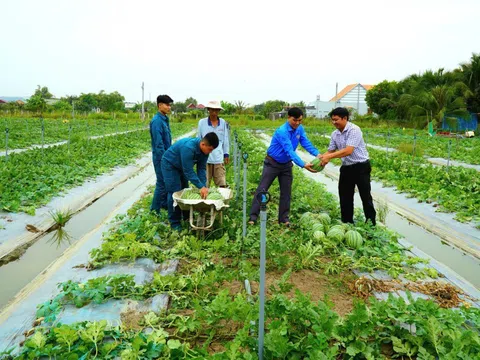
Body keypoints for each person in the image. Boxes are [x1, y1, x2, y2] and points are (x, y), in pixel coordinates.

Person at [248, 107, 320, 226]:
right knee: (262, 189)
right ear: (288, 118)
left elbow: (306, 143)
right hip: (272, 163)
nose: (297, 123)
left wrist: (318, 154)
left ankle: (284, 219)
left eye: (300, 120)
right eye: (295, 120)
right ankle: (253, 218)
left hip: (286, 165)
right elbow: (289, 151)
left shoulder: (299, 129)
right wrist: (303, 164)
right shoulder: (282, 131)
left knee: (286, 192)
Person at [319, 107, 376, 225]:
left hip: (361, 167)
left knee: (365, 195)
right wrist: (319, 160)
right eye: (332, 120)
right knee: (345, 195)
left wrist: (329, 157)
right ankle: (347, 222)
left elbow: (348, 150)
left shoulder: (354, 130)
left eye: (336, 120)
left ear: (345, 118)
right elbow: (330, 150)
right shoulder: (335, 134)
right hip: (346, 167)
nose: (334, 122)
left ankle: (371, 222)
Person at [161, 132, 220, 230]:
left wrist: (203, 186)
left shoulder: (205, 152)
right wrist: (200, 187)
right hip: (170, 164)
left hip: (182, 166)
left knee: (184, 190)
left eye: (212, 150)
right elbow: (188, 171)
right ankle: (175, 223)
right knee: (175, 192)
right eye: (210, 149)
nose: (210, 152)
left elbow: (201, 169)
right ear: (203, 144)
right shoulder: (188, 148)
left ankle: (187, 217)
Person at [197, 100, 230, 187]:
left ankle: (222, 200)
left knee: (221, 184)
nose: (214, 112)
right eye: (212, 110)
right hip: (205, 159)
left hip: (218, 158)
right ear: (208, 110)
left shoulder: (223, 123)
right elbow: (199, 139)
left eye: (216, 110)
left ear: (219, 111)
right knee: (204, 184)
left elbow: (225, 139)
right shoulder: (202, 123)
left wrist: (226, 154)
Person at [149, 94, 174, 214]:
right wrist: (165, 159)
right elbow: (159, 144)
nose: (169, 107)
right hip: (161, 158)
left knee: (164, 182)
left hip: (166, 157)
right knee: (161, 183)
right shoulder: (157, 121)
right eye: (167, 105)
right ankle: (154, 210)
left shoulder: (164, 119)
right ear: (160, 105)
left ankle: (163, 205)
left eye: (170, 105)